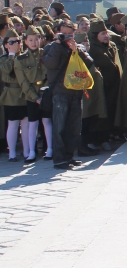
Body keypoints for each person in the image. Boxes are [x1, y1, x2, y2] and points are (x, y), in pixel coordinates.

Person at [42, 20, 95, 170]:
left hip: (76, 91)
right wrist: (59, 45)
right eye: (63, 34)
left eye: (70, 35)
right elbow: (50, 64)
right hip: (60, 93)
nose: (67, 37)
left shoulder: (77, 47)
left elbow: (90, 63)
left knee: (74, 127)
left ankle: (69, 156)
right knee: (59, 127)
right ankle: (59, 159)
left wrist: (76, 51)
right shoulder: (51, 48)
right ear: (56, 33)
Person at [85, 19, 121, 150]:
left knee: (110, 111)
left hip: (113, 85)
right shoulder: (93, 49)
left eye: (106, 33)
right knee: (99, 114)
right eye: (102, 34)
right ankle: (97, 139)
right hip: (99, 87)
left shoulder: (111, 45)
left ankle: (108, 136)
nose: (106, 36)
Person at [15, 26, 47, 163]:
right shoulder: (21, 59)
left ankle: (49, 149)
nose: (34, 42)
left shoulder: (46, 54)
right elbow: (23, 81)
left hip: (45, 93)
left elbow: (49, 75)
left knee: (47, 121)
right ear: (26, 42)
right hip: (31, 96)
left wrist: (44, 93)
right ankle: (32, 151)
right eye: (31, 40)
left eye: (37, 39)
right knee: (32, 123)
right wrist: (35, 97)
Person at [0, 30, 27, 162]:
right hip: (11, 94)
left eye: (18, 41)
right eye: (12, 42)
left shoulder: (24, 56)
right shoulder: (4, 59)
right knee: (12, 124)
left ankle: (27, 151)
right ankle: (12, 153)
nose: (16, 44)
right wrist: (11, 55)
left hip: (24, 93)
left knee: (26, 123)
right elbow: (6, 70)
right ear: (6, 45)